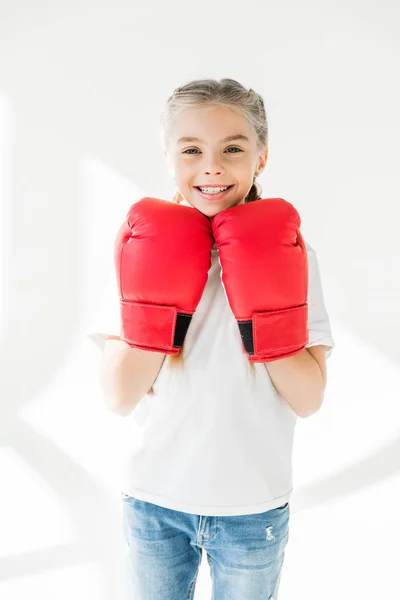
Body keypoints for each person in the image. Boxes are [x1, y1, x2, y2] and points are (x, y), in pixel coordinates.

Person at [85, 78, 335, 600]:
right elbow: (118, 396)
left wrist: (265, 305)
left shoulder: (293, 254)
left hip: (252, 506)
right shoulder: (139, 246)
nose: (212, 166)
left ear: (261, 158)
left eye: (233, 149)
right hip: (155, 499)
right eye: (192, 149)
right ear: (168, 156)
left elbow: (309, 398)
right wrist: (156, 296)